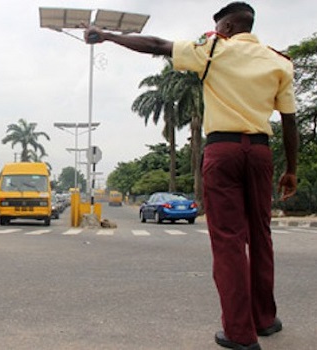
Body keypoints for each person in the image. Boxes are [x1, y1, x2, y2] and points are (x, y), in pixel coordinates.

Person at [84, 2, 298, 350]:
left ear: (226, 26)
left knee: (228, 240)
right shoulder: (279, 62)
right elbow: (288, 120)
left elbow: (156, 45)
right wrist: (291, 169)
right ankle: (265, 319)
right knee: (261, 236)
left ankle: (240, 334)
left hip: (222, 150)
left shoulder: (213, 50)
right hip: (260, 152)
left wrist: (107, 35)